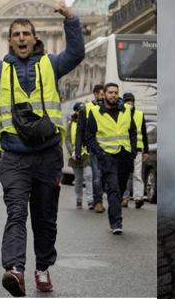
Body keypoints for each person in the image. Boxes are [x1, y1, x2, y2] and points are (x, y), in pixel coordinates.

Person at [0, 0, 85, 297]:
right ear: (10, 40)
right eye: (16, 34)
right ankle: (15, 269)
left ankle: (42, 267)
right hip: (13, 156)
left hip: (47, 155)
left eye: (27, 33)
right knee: (16, 212)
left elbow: (76, 53)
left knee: (44, 217)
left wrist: (71, 20)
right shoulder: (0, 71)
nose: (22, 38)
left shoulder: (51, 65)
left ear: (35, 38)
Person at [83, 83, 138, 235]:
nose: (113, 95)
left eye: (116, 92)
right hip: (107, 156)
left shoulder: (126, 110)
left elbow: (133, 131)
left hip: (125, 155)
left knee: (119, 188)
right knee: (113, 187)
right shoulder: (95, 112)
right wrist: (100, 153)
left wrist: (133, 151)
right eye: (110, 92)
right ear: (104, 94)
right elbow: (89, 136)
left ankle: (115, 208)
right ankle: (116, 222)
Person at [78, 84, 108, 213]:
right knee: (97, 176)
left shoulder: (109, 108)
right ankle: (98, 202)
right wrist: (78, 150)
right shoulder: (86, 109)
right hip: (94, 148)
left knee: (106, 176)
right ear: (95, 94)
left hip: (109, 148)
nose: (103, 97)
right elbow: (80, 131)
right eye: (101, 94)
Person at [121, 93, 150, 208]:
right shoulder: (120, 114)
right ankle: (125, 198)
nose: (130, 103)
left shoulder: (139, 114)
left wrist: (146, 150)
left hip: (137, 149)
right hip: (124, 149)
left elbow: (143, 133)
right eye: (127, 101)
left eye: (131, 101)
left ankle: (138, 198)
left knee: (137, 174)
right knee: (125, 175)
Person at [66, 105, 91, 209]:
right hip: (75, 156)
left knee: (89, 176)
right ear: (75, 111)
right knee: (78, 179)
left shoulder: (88, 121)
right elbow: (67, 139)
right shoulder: (70, 124)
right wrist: (72, 151)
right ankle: (79, 199)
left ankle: (90, 200)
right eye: (78, 110)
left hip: (86, 154)